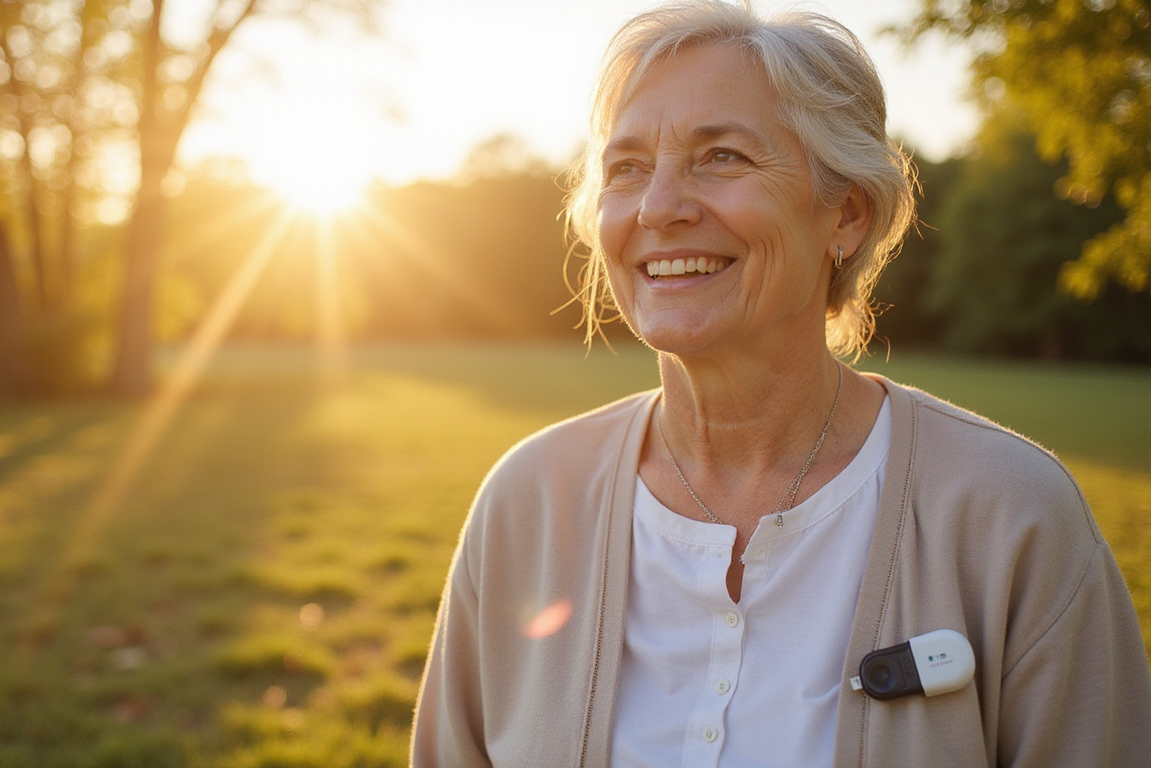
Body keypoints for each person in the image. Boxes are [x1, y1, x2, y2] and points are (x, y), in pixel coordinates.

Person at [410, 1, 1151, 766]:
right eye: (626, 168)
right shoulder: (527, 501)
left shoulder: (1013, 513)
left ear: (848, 214)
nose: (658, 208)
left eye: (721, 156)